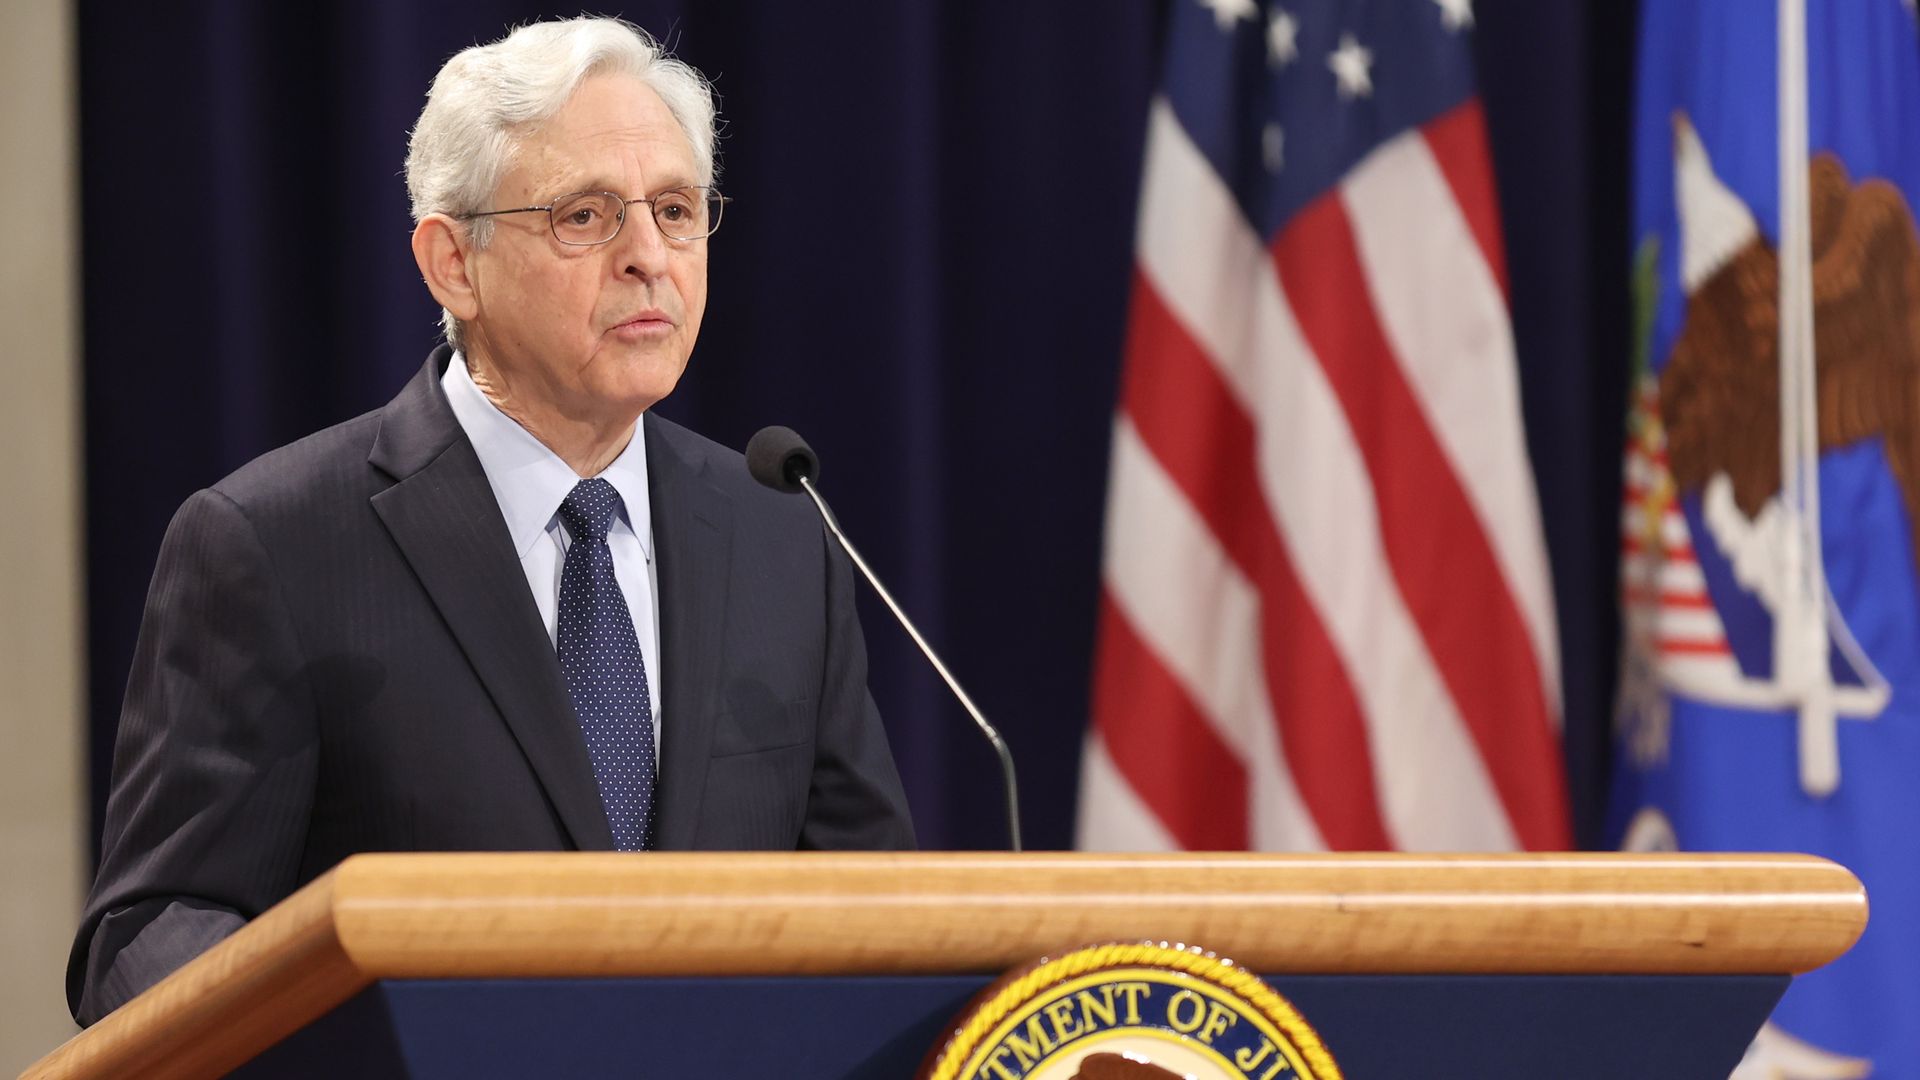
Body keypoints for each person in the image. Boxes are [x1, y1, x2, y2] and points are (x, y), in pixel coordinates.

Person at [67, 16, 914, 1026]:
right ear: (452, 264)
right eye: (588, 217)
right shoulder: (273, 544)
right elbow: (153, 927)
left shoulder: (780, 533)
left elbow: (879, 916)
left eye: (677, 210)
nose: (650, 257)